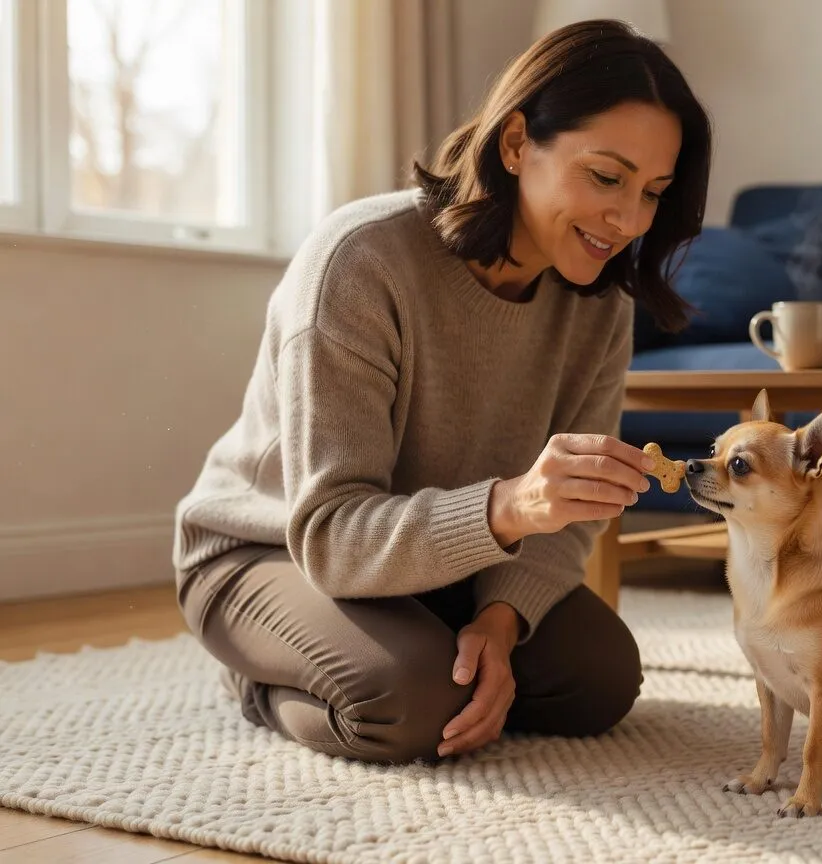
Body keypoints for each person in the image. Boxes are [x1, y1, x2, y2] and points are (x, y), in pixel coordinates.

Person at [171, 19, 711, 764]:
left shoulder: (599, 305)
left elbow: (566, 519)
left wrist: (500, 620)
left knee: (600, 681)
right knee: (407, 703)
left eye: (653, 192)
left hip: (436, 567)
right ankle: (256, 677)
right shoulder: (362, 262)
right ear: (518, 143)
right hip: (269, 554)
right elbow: (330, 535)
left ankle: (434, 652)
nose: (628, 220)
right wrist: (512, 504)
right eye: (606, 176)